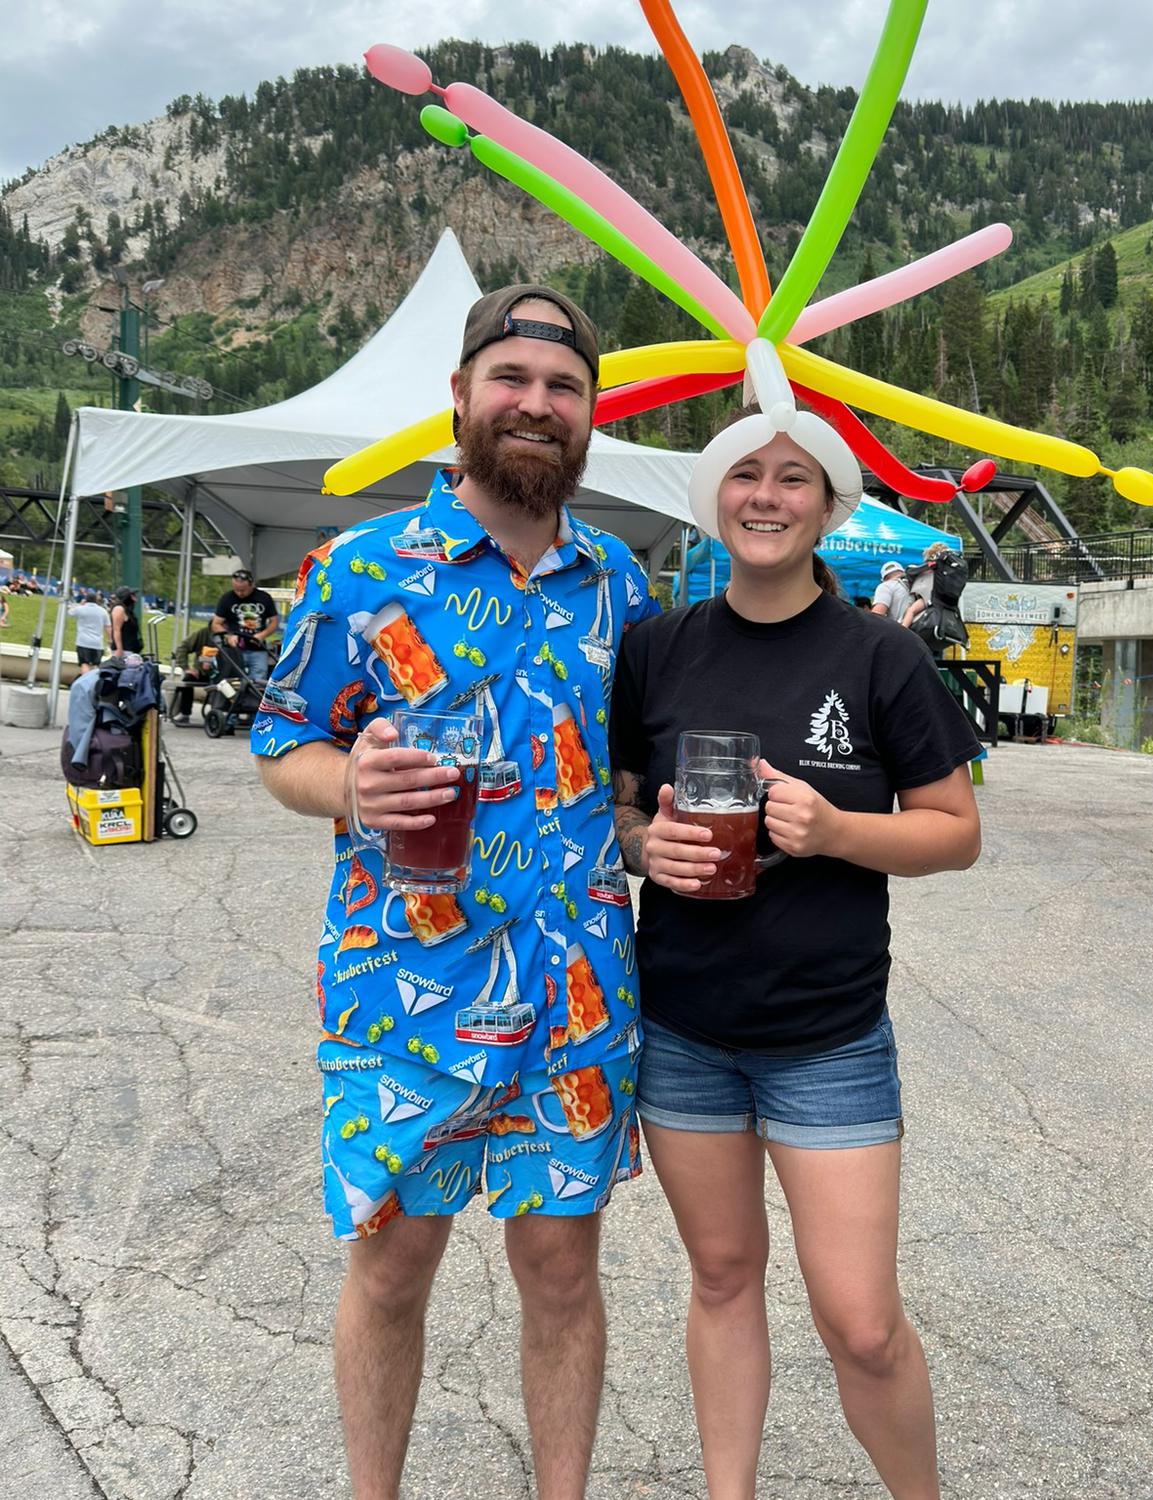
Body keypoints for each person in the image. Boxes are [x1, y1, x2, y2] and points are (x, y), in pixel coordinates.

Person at [252, 284, 657, 1500]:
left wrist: (663, 837)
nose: (537, 404)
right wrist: (346, 783)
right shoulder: (362, 568)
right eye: (512, 379)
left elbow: (626, 789)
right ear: (462, 396)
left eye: (564, 387)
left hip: (578, 999)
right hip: (403, 992)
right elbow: (282, 743)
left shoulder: (621, 586)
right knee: (391, 1272)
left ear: (590, 414)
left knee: (563, 1277)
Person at [609, 404, 983, 1499]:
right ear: (713, 497)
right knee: (723, 1278)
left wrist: (835, 831)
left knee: (862, 1324)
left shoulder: (881, 654)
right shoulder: (657, 647)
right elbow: (621, 807)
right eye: (745, 474)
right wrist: (646, 847)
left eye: (793, 478)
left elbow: (955, 832)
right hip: (684, 1028)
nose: (765, 496)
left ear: (827, 508)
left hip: (829, 1037)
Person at [212, 568, 279, 681]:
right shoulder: (227, 599)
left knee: (259, 680)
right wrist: (228, 636)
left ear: (251, 585)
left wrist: (262, 635)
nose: (240, 593)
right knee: (234, 680)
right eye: (236, 589)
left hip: (257, 648)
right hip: (235, 650)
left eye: (243, 590)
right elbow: (216, 624)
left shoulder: (264, 598)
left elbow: (274, 621)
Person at [67, 590, 111, 670]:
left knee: (84, 663)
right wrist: (110, 639)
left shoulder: (80, 609)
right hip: (97, 643)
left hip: (83, 642)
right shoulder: (103, 611)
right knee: (96, 665)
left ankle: (85, 677)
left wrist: (80, 604)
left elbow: (69, 612)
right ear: (96, 600)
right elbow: (108, 627)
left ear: (85, 599)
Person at [870, 559, 919, 627]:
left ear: (883, 579)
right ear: (902, 572)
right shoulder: (916, 584)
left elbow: (877, 617)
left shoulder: (885, 586)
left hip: (900, 631)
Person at [110, 587, 142, 655]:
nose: (135, 597)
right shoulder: (119, 609)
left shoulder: (129, 611)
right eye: (132, 595)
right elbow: (116, 630)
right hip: (124, 650)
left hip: (131, 650)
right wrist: (119, 649)